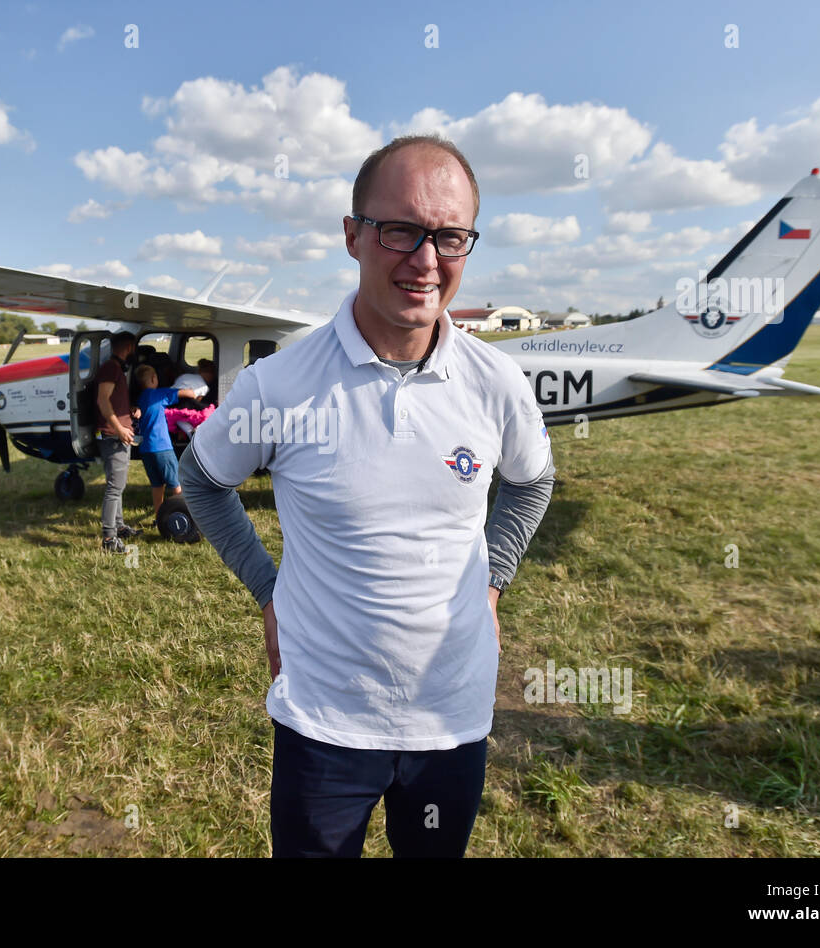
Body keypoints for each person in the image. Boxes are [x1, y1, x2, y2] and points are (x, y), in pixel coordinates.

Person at [179, 134, 556, 857]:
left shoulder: (496, 382)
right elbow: (202, 477)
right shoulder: (280, 385)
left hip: (452, 717)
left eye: (450, 237)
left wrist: (496, 582)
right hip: (324, 723)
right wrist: (269, 591)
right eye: (400, 231)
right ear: (352, 236)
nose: (425, 262)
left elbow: (532, 479)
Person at [94, 331, 143, 554]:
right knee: (114, 487)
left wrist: (129, 411)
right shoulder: (111, 368)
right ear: (130, 347)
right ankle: (109, 538)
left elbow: (112, 400)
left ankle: (120, 526)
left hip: (120, 432)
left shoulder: (115, 368)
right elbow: (102, 401)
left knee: (118, 485)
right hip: (114, 436)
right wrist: (119, 428)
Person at [133, 364, 202, 516]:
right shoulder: (160, 394)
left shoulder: (141, 398)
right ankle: (186, 514)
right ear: (153, 378)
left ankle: (159, 516)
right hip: (162, 448)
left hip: (145, 450)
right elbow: (188, 393)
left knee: (157, 485)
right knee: (176, 484)